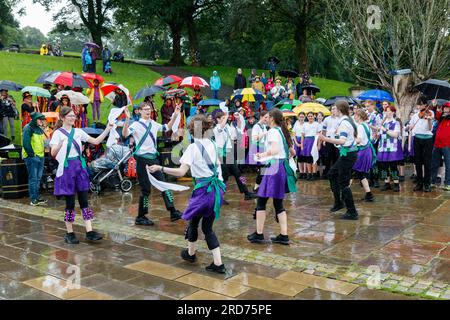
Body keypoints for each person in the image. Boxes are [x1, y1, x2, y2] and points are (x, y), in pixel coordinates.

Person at [148, 114, 226, 274]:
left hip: (204, 191)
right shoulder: (212, 143)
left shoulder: (193, 147)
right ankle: (194, 255)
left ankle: (213, 262)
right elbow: (218, 166)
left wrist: (160, 168)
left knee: (201, 226)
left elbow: (181, 171)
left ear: (193, 130)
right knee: (202, 225)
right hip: (217, 189)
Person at [50, 107, 113, 244]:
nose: (73, 118)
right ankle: (69, 233)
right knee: (70, 203)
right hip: (67, 170)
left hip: (79, 167)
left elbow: (95, 141)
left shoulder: (78, 131)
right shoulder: (57, 134)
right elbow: (53, 153)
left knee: (85, 201)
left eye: (74, 116)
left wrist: (108, 129)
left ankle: (89, 231)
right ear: (62, 118)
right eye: (69, 116)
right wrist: (60, 144)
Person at [122, 104, 183, 226]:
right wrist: (127, 119)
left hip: (153, 158)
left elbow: (167, 127)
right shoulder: (136, 125)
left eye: (149, 109)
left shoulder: (154, 124)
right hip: (142, 159)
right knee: (146, 189)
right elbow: (124, 134)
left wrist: (175, 115)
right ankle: (141, 216)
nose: (148, 111)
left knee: (163, 184)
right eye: (145, 109)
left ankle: (172, 211)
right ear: (139, 111)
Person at [247, 108, 297, 245]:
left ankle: (259, 234)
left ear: (273, 119)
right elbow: (292, 152)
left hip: (273, 168)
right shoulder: (282, 131)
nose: (266, 119)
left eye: (268, 117)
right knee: (278, 203)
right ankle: (283, 235)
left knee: (262, 201)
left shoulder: (274, 132)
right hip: (280, 167)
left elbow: (274, 150)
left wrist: (261, 155)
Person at [318, 101, 359, 220]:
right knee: (332, 174)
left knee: (343, 182)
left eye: (335, 108)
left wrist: (325, 138)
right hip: (347, 153)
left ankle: (352, 211)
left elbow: (342, 141)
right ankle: (339, 202)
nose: (333, 110)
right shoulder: (347, 120)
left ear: (340, 110)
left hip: (348, 154)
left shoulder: (345, 123)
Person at [213, 110, 256, 202]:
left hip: (229, 154)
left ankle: (246, 193)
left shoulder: (228, 127)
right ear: (217, 119)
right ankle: (219, 197)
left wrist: (239, 119)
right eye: (223, 118)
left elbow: (238, 132)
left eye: (225, 118)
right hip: (221, 155)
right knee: (224, 177)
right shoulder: (216, 128)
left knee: (239, 174)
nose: (225, 119)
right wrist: (226, 115)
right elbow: (221, 126)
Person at [410, 96, 434, 192]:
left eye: (421, 104)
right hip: (417, 139)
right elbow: (411, 126)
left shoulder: (430, 113)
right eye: (418, 104)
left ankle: (427, 183)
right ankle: (419, 183)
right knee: (418, 161)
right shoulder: (415, 115)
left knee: (427, 162)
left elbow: (429, 129)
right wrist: (409, 127)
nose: (419, 106)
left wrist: (428, 120)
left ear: (425, 104)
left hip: (427, 139)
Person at [22, 112, 47, 206]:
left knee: (38, 178)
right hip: (32, 157)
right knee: (33, 178)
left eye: (42, 119)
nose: (42, 121)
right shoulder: (28, 128)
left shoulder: (39, 129)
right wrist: (32, 155)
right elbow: (26, 143)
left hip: (40, 156)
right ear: (35, 119)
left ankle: (36, 197)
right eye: (40, 119)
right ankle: (33, 199)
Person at [376, 105, 403, 192]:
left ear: (393, 112)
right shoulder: (383, 122)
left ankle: (396, 183)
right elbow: (380, 134)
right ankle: (386, 183)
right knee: (383, 166)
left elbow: (395, 135)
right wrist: (377, 134)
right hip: (383, 146)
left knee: (393, 166)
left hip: (392, 146)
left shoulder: (396, 123)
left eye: (389, 111)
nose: (387, 113)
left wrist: (385, 130)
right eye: (386, 111)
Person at [352, 110, 375, 202]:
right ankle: (369, 194)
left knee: (352, 171)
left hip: (362, 152)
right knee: (360, 173)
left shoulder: (361, 126)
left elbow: (359, 139)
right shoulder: (367, 125)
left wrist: (349, 142)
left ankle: (344, 194)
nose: (354, 117)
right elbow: (371, 138)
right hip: (367, 150)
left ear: (359, 116)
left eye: (355, 115)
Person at [248, 111, 269, 191]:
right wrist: (265, 133)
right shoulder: (256, 126)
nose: (267, 119)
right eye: (265, 117)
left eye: (267, 117)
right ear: (261, 117)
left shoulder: (264, 126)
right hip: (257, 148)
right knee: (262, 169)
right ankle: (257, 186)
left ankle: (258, 186)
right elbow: (254, 138)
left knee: (263, 169)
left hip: (263, 148)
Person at [431, 102, 450, 191]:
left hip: (447, 145)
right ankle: (432, 181)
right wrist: (434, 106)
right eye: (444, 108)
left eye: (447, 108)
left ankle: (447, 183)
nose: (445, 109)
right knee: (434, 164)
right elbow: (436, 113)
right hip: (437, 145)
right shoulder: (441, 118)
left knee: (448, 165)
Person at [365, 100, 383, 188]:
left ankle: (376, 179)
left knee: (374, 160)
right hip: (366, 140)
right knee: (368, 159)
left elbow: (380, 128)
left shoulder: (377, 115)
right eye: (366, 106)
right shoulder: (366, 115)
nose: (367, 108)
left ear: (373, 106)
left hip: (374, 140)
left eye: (368, 106)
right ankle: (369, 179)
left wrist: (370, 126)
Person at [301, 112, 321, 180]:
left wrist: (318, 145)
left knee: (314, 158)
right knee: (307, 159)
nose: (310, 117)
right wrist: (302, 145)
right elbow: (302, 136)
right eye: (309, 116)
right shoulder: (305, 125)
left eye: (311, 116)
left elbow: (319, 136)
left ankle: (314, 174)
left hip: (314, 141)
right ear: (307, 117)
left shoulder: (317, 124)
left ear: (314, 116)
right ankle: (309, 174)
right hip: (307, 142)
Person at [293, 112, 306, 179]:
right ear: (298, 117)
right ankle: (301, 172)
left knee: (304, 157)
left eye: (302, 116)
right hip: (297, 140)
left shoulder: (306, 124)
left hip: (304, 141)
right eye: (300, 116)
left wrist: (302, 143)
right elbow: (294, 134)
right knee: (299, 158)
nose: (301, 118)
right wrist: (296, 143)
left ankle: (304, 172)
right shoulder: (296, 123)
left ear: (304, 117)